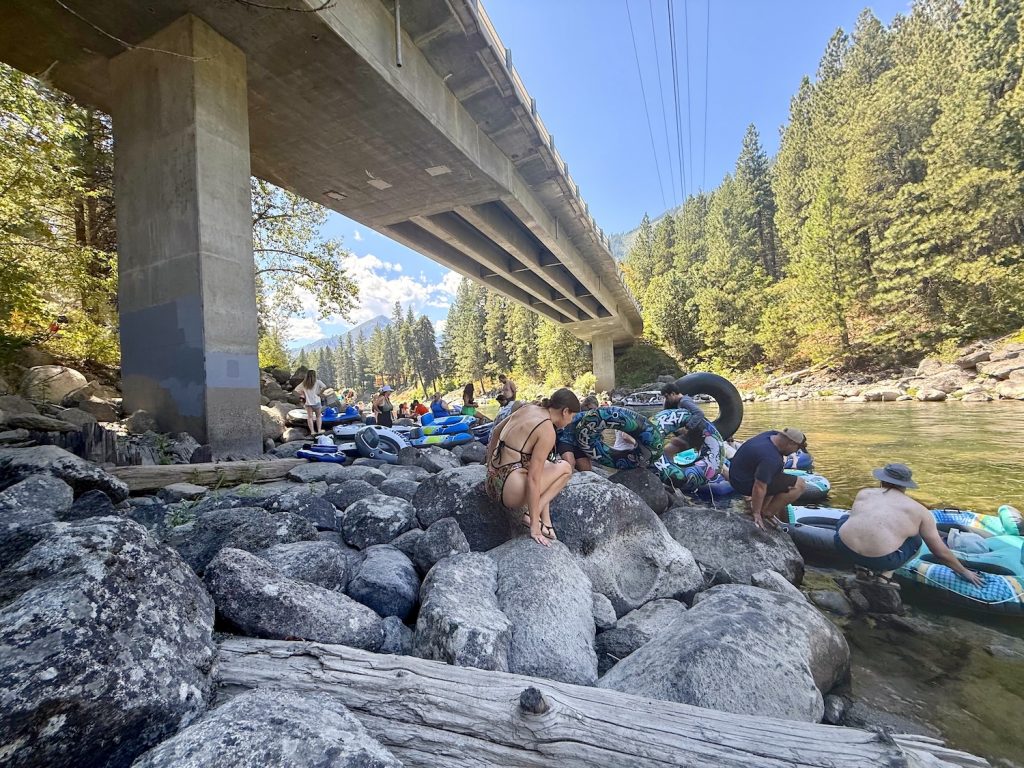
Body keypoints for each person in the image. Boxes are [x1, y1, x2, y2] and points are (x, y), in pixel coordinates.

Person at [835, 464, 984, 586]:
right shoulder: (920, 512)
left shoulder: (864, 493)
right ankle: (885, 576)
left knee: (846, 517)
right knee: (915, 541)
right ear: (905, 486)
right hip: (881, 560)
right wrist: (964, 571)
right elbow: (939, 551)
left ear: (882, 480)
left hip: (843, 548)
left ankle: (861, 568)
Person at [486, 388, 580, 546]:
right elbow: (534, 479)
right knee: (565, 468)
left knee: (546, 464)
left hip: (491, 483)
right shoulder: (547, 430)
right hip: (508, 493)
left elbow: (495, 431)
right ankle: (532, 518)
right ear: (565, 411)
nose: (571, 420)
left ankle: (547, 522)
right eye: (573, 415)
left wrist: (489, 463)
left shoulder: (527, 408)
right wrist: (535, 528)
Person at [728, 428, 809, 530]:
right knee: (800, 485)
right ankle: (766, 513)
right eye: (797, 449)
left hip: (737, 474)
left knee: (777, 476)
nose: (796, 452)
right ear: (791, 443)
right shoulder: (771, 458)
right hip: (744, 483)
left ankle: (763, 509)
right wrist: (756, 513)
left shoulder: (770, 435)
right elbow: (759, 487)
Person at [556, 394, 599, 471]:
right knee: (570, 464)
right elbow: (570, 420)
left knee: (586, 469)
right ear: (586, 405)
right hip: (566, 441)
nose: (592, 412)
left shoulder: (593, 418)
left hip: (579, 445)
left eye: (594, 410)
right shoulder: (575, 411)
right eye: (590, 409)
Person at [295, 369, 327, 435]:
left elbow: (296, 390)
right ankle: (319, 430)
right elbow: (324, 387)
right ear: (314, 375)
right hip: (316, 402)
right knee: (318, 416)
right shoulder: (318, 382)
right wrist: (320, 393)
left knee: (310, 417)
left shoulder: (304, 383)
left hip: (308, 403)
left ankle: (312, 431)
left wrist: (303, 393)